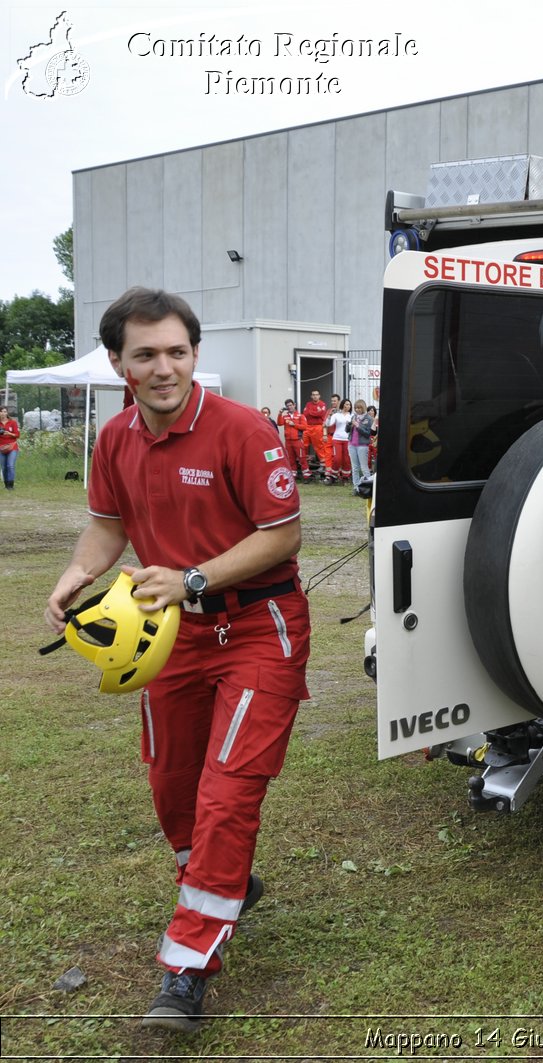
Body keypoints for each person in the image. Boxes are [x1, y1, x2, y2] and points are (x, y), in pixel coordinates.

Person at [44, 287, 310, 1032]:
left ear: (195, 353)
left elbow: (281, 535)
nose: (165, 368)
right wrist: (77, 574)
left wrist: (193, 576)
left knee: (228, 793)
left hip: (261, 628)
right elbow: (106, 528)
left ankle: (186, 967)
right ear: (117, 362)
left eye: (178, 352)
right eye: (146, 354)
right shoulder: (114, 440)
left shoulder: (243, 429)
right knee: (174, 788)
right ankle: (222, 879)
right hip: (172, 638)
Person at [302, 389, 331, 481]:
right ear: (311, 396)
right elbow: (305, 414)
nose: (315, 396)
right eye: (313, 395)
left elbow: (321, 413)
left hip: (318, 427)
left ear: (319, 396)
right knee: (304, 445)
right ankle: (305, 466)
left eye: (316, 395)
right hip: (307, 426)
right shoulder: (308, 404)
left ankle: (323, 466)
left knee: (319, 446)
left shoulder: (322, 404)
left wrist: (312, 412)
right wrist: (315, 413)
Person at [277, 399, 309, 480]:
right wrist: (280, 413)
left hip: (297, 440)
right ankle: (293, 476)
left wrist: (294, 424)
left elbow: (304, 427)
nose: (289, 407)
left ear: (294, 405)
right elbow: (279, 423)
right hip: (288, 441)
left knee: (302, 458)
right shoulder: (285, 416)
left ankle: (306, 476)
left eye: (291, 405)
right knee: (291, 459)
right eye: (288, 406)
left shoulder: (300, 416)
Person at [348, 398, 374, 494]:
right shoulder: (353, 417)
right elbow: (348, 430)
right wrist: (349, 426)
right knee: (354, 467)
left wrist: (358, 426)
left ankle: (368, 487)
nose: (357, 410)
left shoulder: (369, 419)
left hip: (362, 445)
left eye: (359, 408)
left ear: (363, 408)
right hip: (351, 444)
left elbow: (368, 433)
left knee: (364, 467)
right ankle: (356, 488)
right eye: (356, 408)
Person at [329, 398, 353, 484]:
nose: (348, 406)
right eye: (346, 404)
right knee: (337, 458)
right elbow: (329, 424)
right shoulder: (336, 415)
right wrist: (329, 416)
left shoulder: (352, 416)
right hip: (337, 439)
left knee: (346, 459)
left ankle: (345, 477)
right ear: (342, 405)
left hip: (348, 440)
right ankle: (333, 476)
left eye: (349, 405)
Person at [0, 405, 20, 490]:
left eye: (5, 411)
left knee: (10, 466)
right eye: (1, 411)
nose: (3, 413)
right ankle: (6, 485)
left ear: (7, 413)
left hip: (12, 447)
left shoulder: (13, 422)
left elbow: (17, 435)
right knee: (4, 467)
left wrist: (9, 433)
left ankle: (11, 486)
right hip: (1, 448)